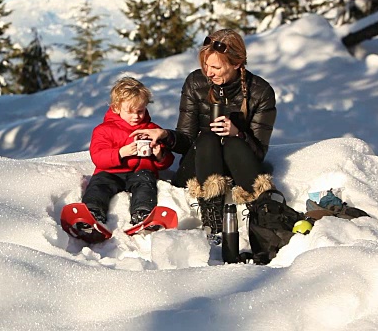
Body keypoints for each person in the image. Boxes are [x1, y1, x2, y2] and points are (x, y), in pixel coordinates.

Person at [130, 29, 276, 235]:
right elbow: (186, 140)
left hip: (239, 168)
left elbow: (259, 153)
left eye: (216, 67)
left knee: (233, 143)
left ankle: (262, 215)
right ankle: (212, 218)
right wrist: (165, 135)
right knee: (207, 138)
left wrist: (237, 133)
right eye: (206, 65)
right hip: (198, 168)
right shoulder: (196, 83)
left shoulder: (260, 92)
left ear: (236, 64)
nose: (208, 73)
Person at [80, 76, 174, 227]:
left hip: (141, 171)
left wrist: (159, 155)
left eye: (140, 111)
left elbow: (167, 161)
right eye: (130, 111)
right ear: (116, 108)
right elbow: (98, 157)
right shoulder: (104, 130)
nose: (136, 116)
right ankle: (92, 211)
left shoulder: (152, 129)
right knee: (99, 184)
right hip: (111, 171)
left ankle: (143, 212)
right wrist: (120, 153)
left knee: (146, 183)